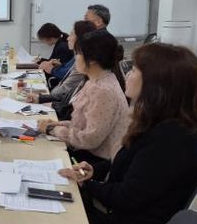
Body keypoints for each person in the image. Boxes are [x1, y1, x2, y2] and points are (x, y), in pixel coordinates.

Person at [59, 43, 197, 224]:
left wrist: (87, 184)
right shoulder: (157, 121)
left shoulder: (171, 140)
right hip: (116, 212)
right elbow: (129, 163)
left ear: (155, 82)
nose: (127, 75)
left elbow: (126, 197)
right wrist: (92, 171)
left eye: (133, 70)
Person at [37, 30, 129, 173]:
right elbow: (83, 125)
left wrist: (52, 129)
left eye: (78, 54)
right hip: (85, 153)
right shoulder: (94, 81)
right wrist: (58, 124)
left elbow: (89, 139)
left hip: (93, 163)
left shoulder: (103, 90)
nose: (75, 59)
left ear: (92, 60)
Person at [26, 20, 95, 120]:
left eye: (72, 34)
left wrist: (43, 98)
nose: (68, 38)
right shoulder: (78, 57)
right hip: (60, 102)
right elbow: (68, 68)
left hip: (62, 107)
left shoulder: (83, 62)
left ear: (80, 39)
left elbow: (65, 86)